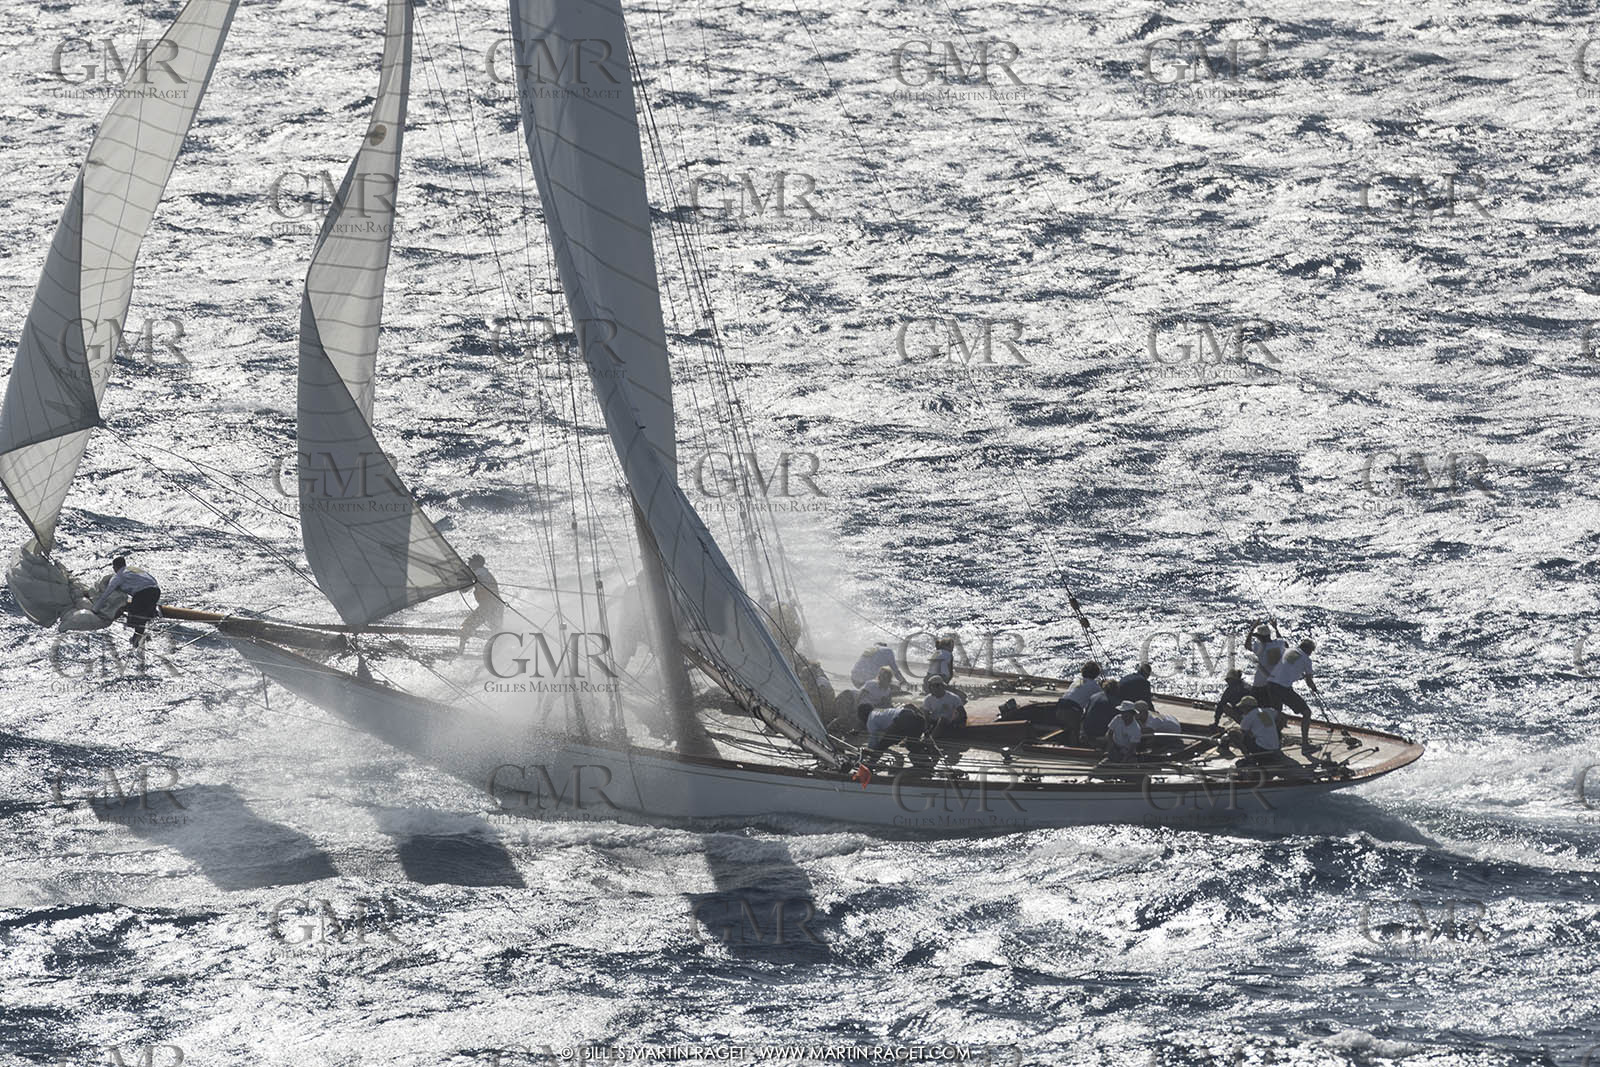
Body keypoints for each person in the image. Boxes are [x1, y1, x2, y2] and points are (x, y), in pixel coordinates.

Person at [92, 557, 161, 647]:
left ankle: (137, 639)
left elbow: (106, 594)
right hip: (156, 591)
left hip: (143, 594)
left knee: (133, 615)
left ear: (115, 567)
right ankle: (139, 636)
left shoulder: (118, 577)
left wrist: (95, 610)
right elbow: (152, 580)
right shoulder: (134, 569)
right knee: (142, 615)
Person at [1267, 641, 1319, 747]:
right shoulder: (1307, 660)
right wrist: (1314, 688)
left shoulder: (1288, 650)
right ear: (1309, 650)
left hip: (1270, 684)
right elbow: (1309, 681)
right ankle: (1305, 744)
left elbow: (1288, 667)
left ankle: (1272, 740)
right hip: (1282, 688)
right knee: (1306, 712)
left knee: (1276, 713)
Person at [458, 554, 503, 654]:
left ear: (477, 563)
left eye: (471, 561)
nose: (469, 563)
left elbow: (464, 589)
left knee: (465, 628)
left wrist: (458, 580)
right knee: (496, 632)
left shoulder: (478, 573)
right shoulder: (483, 573)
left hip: (488, 607)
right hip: (497, 606)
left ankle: (460, 653)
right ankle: (499, 653)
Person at [1245, 621, 1287, 699]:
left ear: (1260, 637)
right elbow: (1282, 641)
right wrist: (1276, 628)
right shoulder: (1279, 643)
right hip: (1277, 683)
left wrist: (1252, 629)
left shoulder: (1259, 646)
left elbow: (1247, 646)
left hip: (1260, 684)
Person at [1079, 678, 1122, 743]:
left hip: (1086, 730)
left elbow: (1085, 714)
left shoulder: (1094, 696)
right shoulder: (1115, 702)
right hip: (1100, 733)